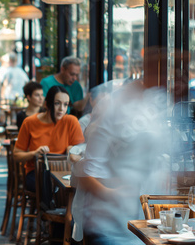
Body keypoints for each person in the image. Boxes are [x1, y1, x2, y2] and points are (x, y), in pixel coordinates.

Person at [72, 82, 169, 244]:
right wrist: (113, 193)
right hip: (110, 225)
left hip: (144, 224)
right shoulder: (110, 116)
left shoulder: (153, 113)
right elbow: (86, 172)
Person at [14, 86, 84, 192]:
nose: (62, 109)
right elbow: (16, 155)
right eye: (57, 103)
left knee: (80, 184)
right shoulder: (29, 122)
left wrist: (72, 149)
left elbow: (82, 152)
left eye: (65, 104)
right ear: (47, 104)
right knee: (50, 185)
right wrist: (34, 153)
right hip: (37, 173)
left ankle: (61, 207)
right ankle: (50, 206)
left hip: (64, 172)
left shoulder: (71, 121)